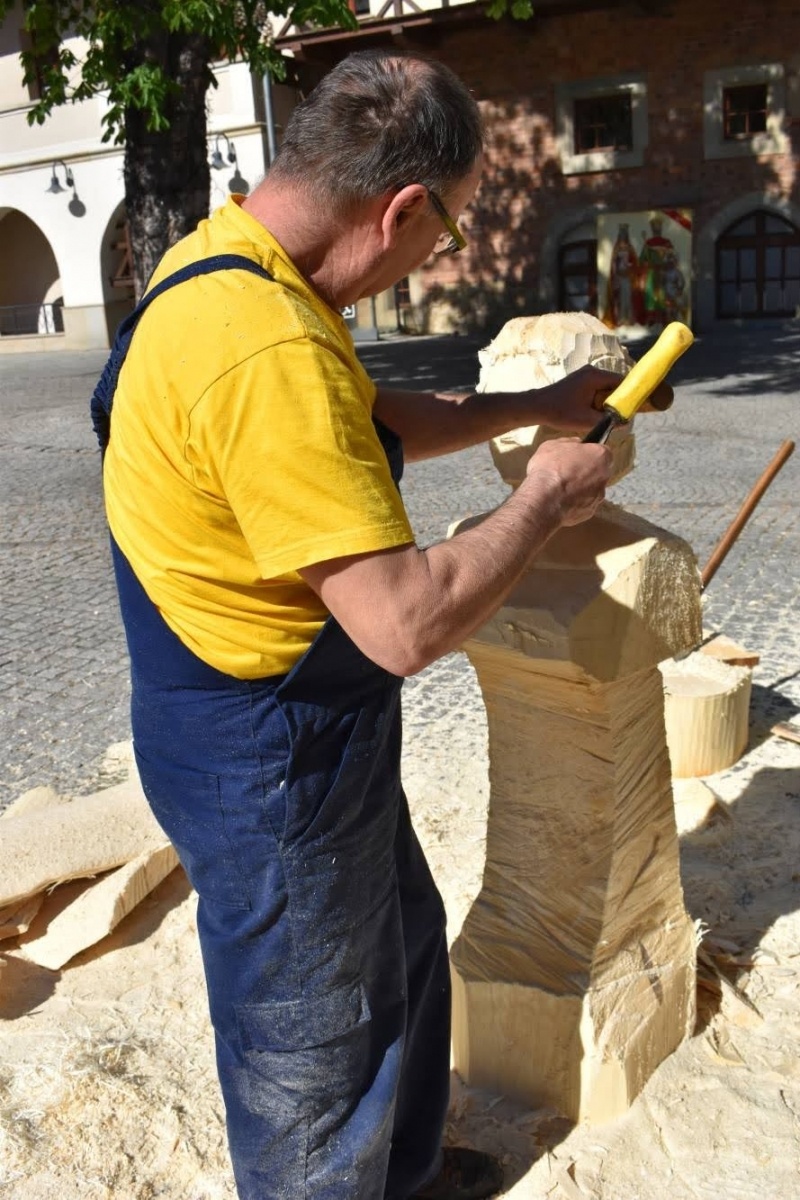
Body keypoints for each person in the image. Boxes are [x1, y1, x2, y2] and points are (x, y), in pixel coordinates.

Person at [94, 49, 617, 1200]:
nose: (441, 254)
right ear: (402, 208)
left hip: (291, 721)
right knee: (312, 1039)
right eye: (453, 233)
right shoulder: (263, 346)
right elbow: (401, 624)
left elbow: (364, 418)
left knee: (398, 949)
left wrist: (533, 405)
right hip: (264, 746)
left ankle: (407, 1172)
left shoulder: (238, 267)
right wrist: (540, 498)